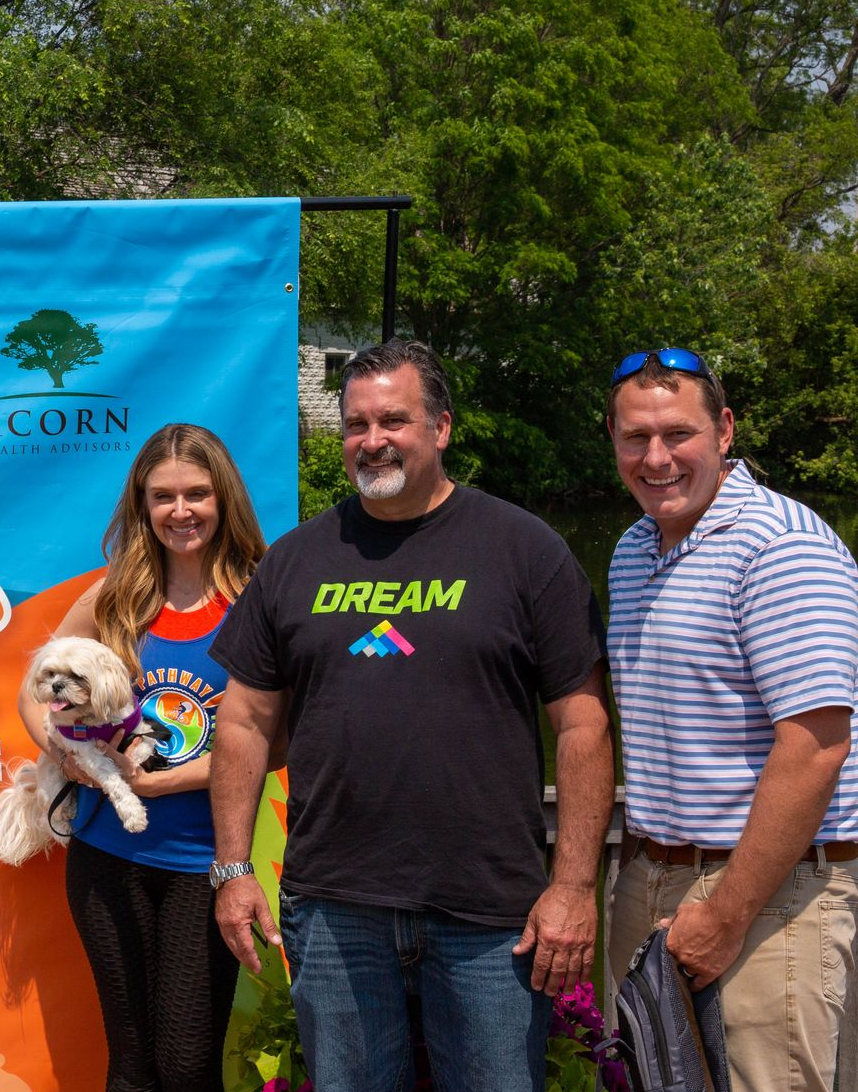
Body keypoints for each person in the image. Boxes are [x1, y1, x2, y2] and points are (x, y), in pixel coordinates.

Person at [206, 340, 613, 1092]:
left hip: (490, 912)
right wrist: (233, 868)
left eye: (393, 420)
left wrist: (574, 886)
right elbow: (243, 723)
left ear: (442, 427)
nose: (373, 440)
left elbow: (583, 726)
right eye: (355, 425)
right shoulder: (295, 559)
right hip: (334, 907)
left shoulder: (525, 549)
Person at [603, 348, 858, 1091]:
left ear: (723, 431)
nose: (656, 458)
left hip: (769, 893)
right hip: (652, 876)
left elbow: (816, 746)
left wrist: (726, 912)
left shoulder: (782, 546)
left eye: (678, 434)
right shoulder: (632, 548)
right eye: (635, 437)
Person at [15, 422, 267, 1092]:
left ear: (224, 498)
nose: (181, 511)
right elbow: (32, 692)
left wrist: (171, 781)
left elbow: (280, 741)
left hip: (205, 862)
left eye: (197, 493)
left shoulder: (258, 597)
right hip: (107, 857)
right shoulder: (113, 595)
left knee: (187, 1067)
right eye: (163, 497)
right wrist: (68, 756)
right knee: (130, 1069)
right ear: (142, 505)